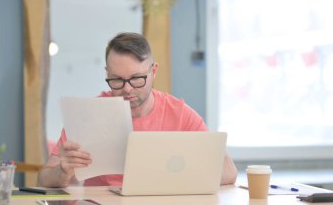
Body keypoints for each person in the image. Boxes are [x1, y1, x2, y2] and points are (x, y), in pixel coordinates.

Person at [37, 32, 238, 188]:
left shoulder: (179, 113)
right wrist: (62, 171)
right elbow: (43, 178)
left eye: (136, 79)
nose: (127, 88)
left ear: (154, 71)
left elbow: (229, 171)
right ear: (107, 73)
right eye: (117, 79)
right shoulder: (89, 114)